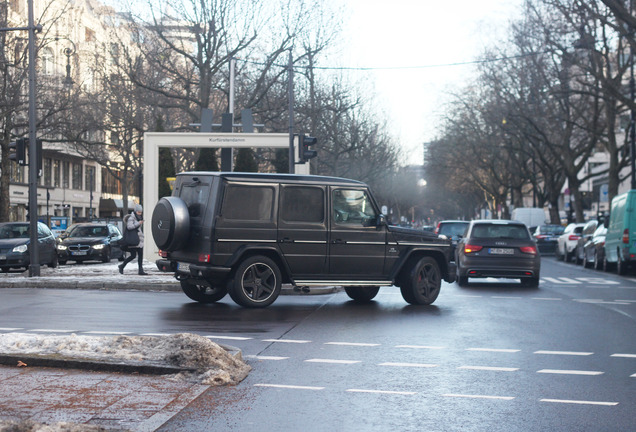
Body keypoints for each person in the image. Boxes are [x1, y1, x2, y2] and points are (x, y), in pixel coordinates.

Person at [118, 204, 148, 275]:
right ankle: (122, 266)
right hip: (134, 240)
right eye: (138, 212)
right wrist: (138, 223)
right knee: (133, 255)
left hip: (138, 240)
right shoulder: (131, 218)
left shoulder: (138, 218)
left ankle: (140, 270)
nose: (140, 213)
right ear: (135, 211)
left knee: (140, 255)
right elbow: (129, 227)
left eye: (141, 212)